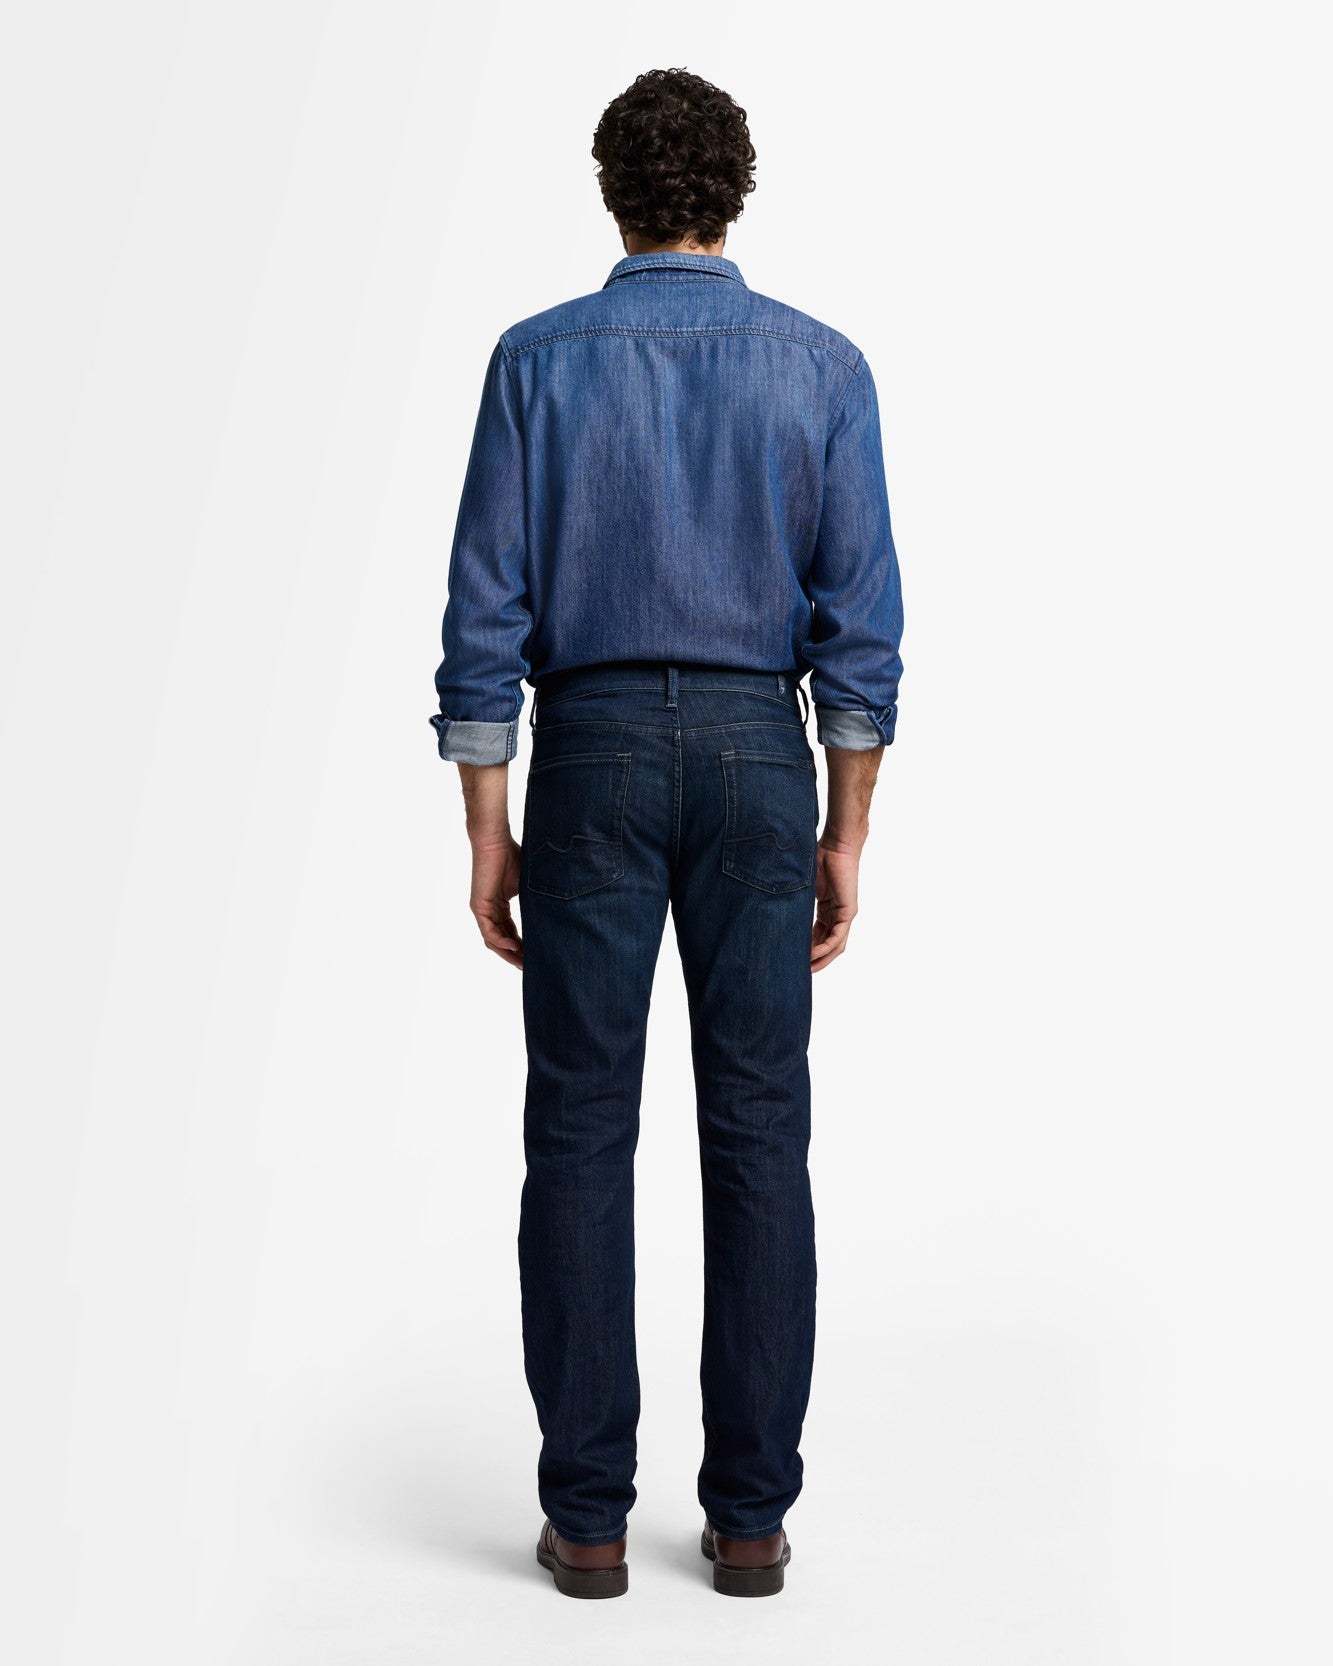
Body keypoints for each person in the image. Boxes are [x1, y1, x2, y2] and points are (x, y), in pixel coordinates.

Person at [430, 67, 903, 1599]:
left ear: (613, 192)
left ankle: (585, 1520)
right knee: (759, 1129)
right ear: (733, 191)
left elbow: (483, 618)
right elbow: (860, 634)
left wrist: (487, 827)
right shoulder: (821, 366)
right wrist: (844, 830)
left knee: (578, 1127)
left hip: (592, 755)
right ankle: (749, 1519)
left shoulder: (535, 361)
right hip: (761, 760)